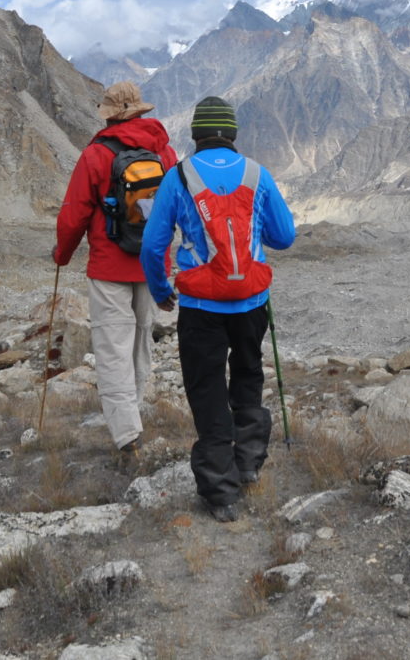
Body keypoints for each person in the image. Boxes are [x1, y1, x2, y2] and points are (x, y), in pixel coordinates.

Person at [140, 96, 295, 522]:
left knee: (206, 389)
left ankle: (220, 492)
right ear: (233, 134)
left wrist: (159, 291)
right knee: (248, 374)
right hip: (251, 304)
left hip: (200, 306)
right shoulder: (257, 174)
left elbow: (154, 246)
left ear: (195, 135)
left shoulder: (177, 177)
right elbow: (285, 237)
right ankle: (248, 464)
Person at [53, 81, 177, 457]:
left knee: (112, 349)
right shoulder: (165, 152)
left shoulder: (96, 154)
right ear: (141, 111)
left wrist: (63, 253)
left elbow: (74, 213)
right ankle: (132, 416)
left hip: (109, 266)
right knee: (141, 344)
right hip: (153, 265)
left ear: (109, 114)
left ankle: (127, 437)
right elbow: (173, 206)